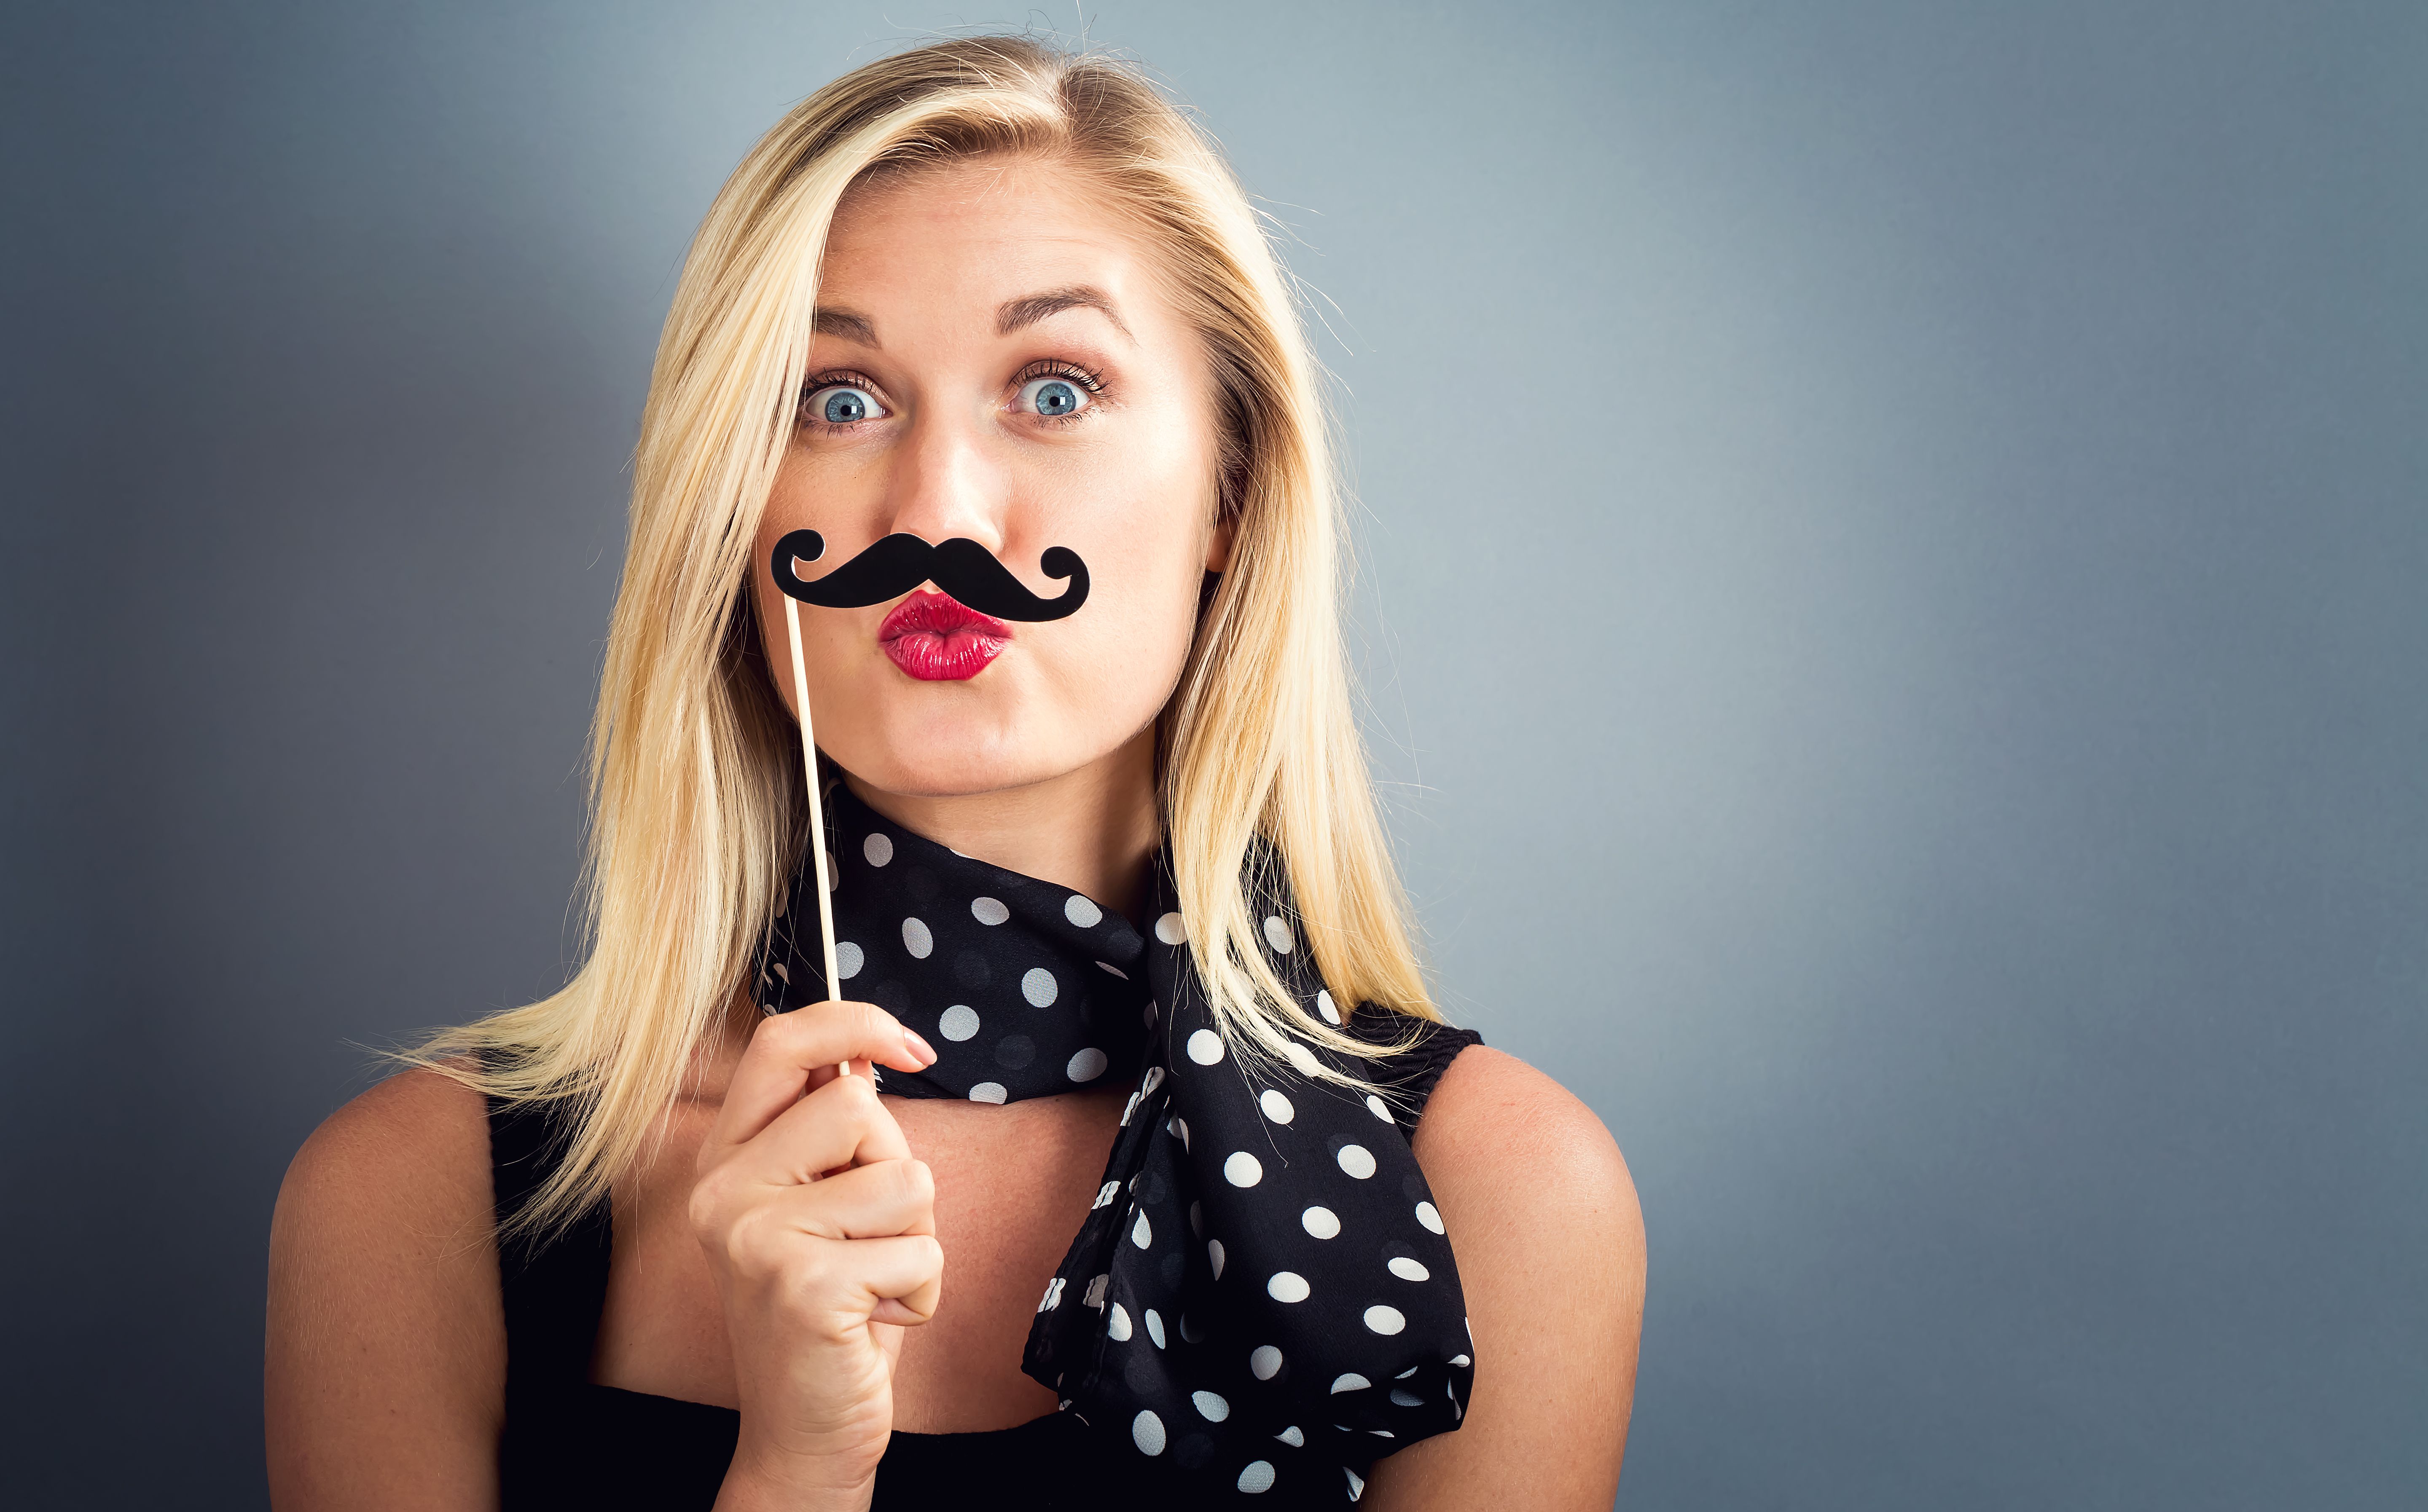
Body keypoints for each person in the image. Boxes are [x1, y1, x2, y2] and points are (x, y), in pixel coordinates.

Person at [265, 35, 1644, 1511]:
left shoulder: (1498, 1196)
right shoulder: (412, 1203)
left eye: (1054, 389)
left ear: (1231, 491)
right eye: (838, 399)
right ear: (731, 504)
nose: (935, 510)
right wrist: (794, 1468)